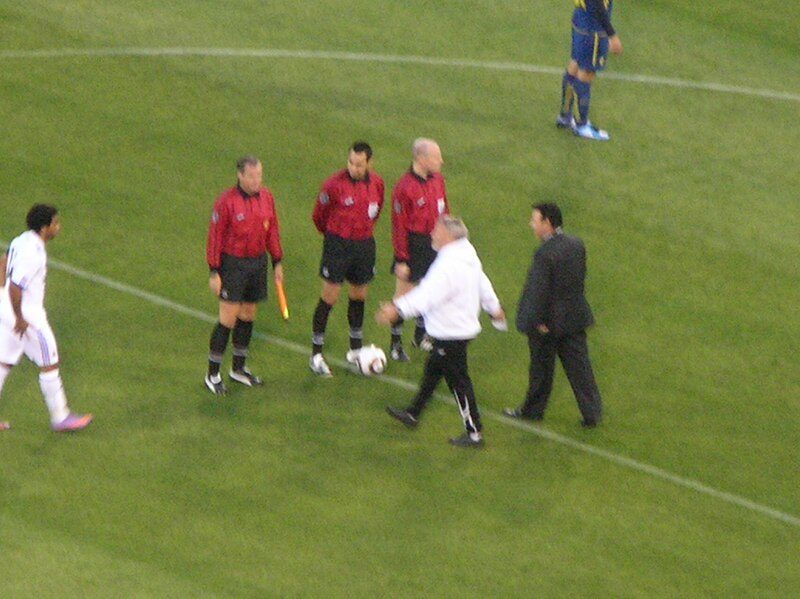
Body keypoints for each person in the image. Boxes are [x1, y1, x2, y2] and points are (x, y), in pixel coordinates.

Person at [378, 215, 506, 448]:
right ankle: (413, 413)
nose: (432, 234)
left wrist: (397, 309)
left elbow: (427, 295)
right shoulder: (468, 256)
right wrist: (494, 308)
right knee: (433, 369)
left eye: (436, 231)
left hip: (452, 332)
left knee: (459, 383)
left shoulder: (447, 264)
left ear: (449, 236)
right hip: (458, 329)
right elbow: (482, 282)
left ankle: (474, 432)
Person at [503, 203, 603, 427]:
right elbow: (576, 281)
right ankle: (592, 413)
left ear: (547, 223)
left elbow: (539, 291)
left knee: (541, 369)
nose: (531, 224)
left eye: (534, 220)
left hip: (549, 324)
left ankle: (533, 410)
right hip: (575, 317)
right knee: (580, 368)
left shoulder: (544, 254)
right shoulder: (576, 244)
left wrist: (538, 321)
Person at [0, 204, 93, 432]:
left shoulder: (22, 240)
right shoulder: (33, 253)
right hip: (26, 315)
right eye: (55, 223)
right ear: (44, 228)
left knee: (3, 362)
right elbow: (16, 287)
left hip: (6, 309)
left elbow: (3, 261)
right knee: (49, 362)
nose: (58, 227)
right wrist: (20, 318)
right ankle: (60, 417)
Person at [205, 155, 284, 395]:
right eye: (251, 176)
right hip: (233, 265)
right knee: (228, 319)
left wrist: (277, 261)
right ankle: (213, 374)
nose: (256, 180)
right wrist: (214, 271)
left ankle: (238, 369)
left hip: (257, 262)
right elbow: (215, 237)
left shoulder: (267, 197)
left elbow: (273, 229)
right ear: (240, 175)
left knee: (248, 315)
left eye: (259, 175)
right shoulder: (226, 202)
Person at [309, 141, 385, 377]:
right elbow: (318, 216)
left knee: (359, 295)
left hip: (364, 245)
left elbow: (377, 209)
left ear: (369, 163)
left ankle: (355, 349)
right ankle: (316, 354)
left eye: (359, 164)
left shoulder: (378, 183)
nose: (354, 167)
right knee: (330, 297)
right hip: (338, 245)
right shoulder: (333, 185)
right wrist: (334, 236)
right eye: (351, 162)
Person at [388, 138, 449, 362]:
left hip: (435, 243)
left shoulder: (438, 180)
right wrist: (401, 259)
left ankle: (421, 334)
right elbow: (399, 226)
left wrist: (448, 239)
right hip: (413, 246)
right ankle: (395, 344)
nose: (441, 161)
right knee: (404, 297)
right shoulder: (404, 188)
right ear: (422, 159)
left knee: (432, 291)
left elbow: (445, 212)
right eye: (436, 157)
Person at [557, 0, 623, 141]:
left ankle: (565, 115)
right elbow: (596, 5)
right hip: (594, 29)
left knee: (575, 64)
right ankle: (581, 125)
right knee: (586, 73)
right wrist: (612, 35)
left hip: (581, 19)